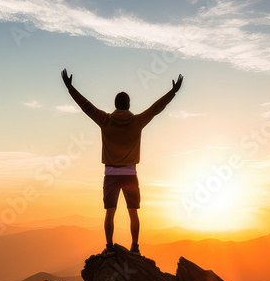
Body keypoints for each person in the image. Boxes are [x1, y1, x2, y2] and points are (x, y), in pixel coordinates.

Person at [61, 68, 183, 257]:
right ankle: (135, 247)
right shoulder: (137, 121)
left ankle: (109, 247)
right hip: (130, 174)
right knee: (133, 213)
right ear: (128, 105)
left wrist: (70, 88)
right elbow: (156, 109)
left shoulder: (105, 120)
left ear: (115, 105)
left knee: (110, 213)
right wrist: (173, 92)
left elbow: (86, 106)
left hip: (110, 174)